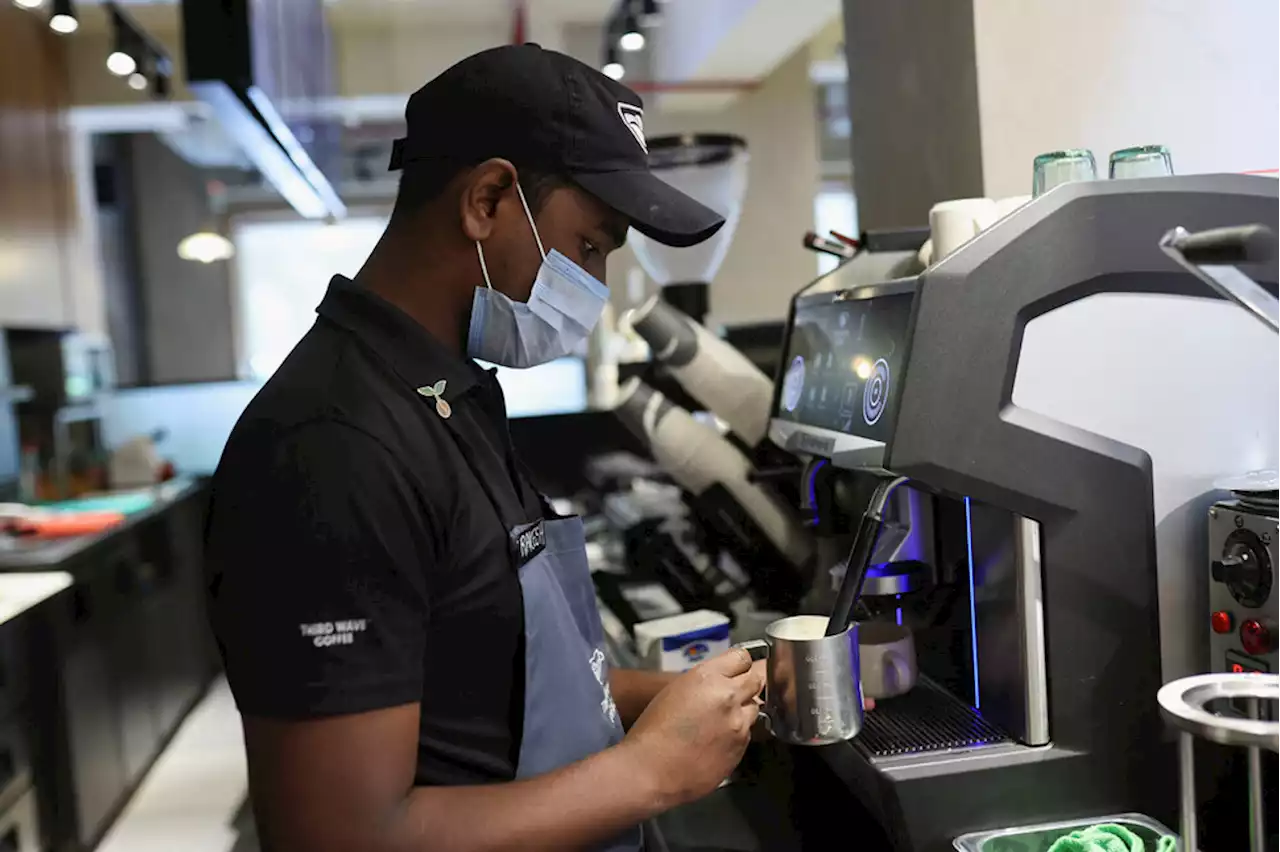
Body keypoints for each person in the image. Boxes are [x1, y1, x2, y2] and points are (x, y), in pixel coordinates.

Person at [204, 44, 769, 852]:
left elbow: (497, 677)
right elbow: (340, 836)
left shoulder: (451, 395)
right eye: (590, 247)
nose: (597, 288)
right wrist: (651, 773)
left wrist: (699, 695)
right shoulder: (331, 451)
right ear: (489, 199)